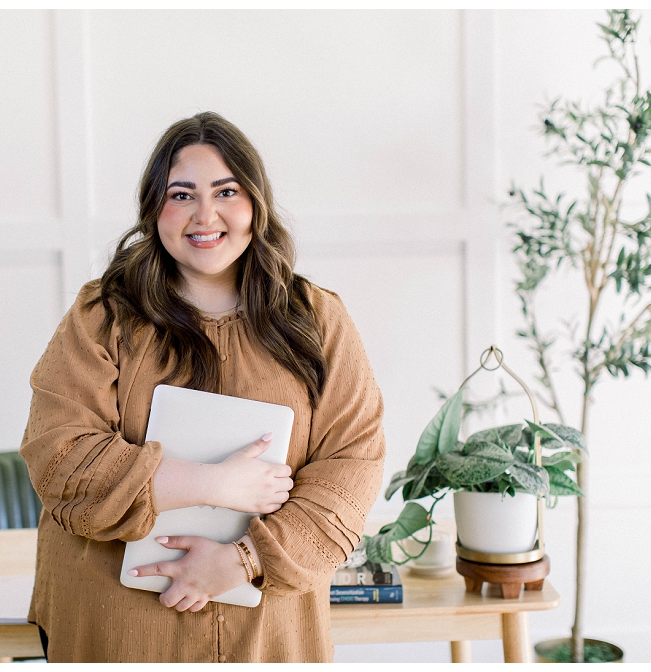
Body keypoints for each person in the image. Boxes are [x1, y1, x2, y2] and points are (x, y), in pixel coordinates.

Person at [19, 111, 385, 663]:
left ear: (255, 204)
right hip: (114, 626)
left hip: (268, 625)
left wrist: (240, 561)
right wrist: (214, 483)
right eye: (182, 194)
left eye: (226, 191)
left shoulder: (319, 318)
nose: (205, 215)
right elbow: (59, 456)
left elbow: (351, 469)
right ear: (154, 209)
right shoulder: (102, 314)